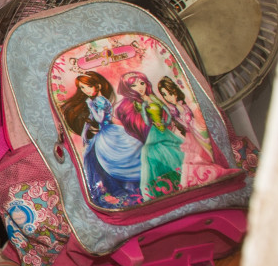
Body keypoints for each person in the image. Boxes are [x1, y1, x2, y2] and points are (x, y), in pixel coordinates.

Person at [59, 71, 144, 205]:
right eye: (82, 88)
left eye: (88, 86)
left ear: (97, 86)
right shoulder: (101, 99)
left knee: (98, 160)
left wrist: (90, 106)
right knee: (105, 160)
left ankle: (115, 192)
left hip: (106, 133)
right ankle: (118, 190)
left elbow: (100, 118)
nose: (85, 90)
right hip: (108, 131)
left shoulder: (98, 101)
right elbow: (95, 120)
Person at [120, 73, 184, 196]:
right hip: (153, 131)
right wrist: (144, 108)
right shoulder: (137, 104)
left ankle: (181, 180)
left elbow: (165, 110)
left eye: (142, 83)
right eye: (134, 85)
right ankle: (167, 185)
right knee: (155, 153)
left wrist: (167, 121)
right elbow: (145, 120)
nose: (139, 87)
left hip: (163, 128)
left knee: (173, 151)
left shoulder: (153, 98)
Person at [160, 76, 229, 187]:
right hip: (188, 138)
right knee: (191, 165)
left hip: (196, 135)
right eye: (164, 95)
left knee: (200, 162)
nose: (168, 97)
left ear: (174, 91)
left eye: (169, 93)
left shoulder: (184, 105)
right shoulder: (173, 110)